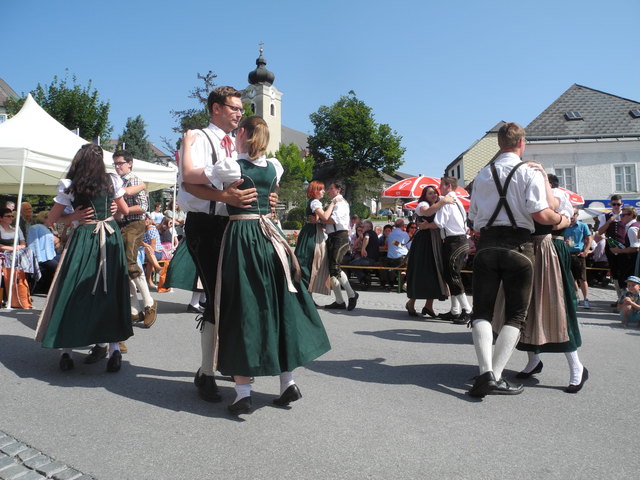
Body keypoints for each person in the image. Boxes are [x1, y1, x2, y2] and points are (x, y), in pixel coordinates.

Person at [182, 116, 331, 415]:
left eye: (239, 132)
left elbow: (190, 178)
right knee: (277, 305)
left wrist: (187, 143)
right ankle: (287, 381)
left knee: (242, 307)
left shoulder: (231, 165)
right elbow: (268, 194)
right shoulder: (276, 166)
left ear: (246, 135)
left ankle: (243, 393)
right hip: (271, 239)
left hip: (242, 236)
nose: (235, 136)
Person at [466, 122, 568, 398]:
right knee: (516, 315)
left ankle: (485, 372)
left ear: (499, 143)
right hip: (519, 248)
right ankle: (495, 375)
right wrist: (564, 219)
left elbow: (474, 220)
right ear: (521, 143)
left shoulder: (483, 174)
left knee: (482, 311)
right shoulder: (528, 171)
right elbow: (541, 215)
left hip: (486, 246)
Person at [177, 85, 259, 402]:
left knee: (234, 299)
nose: (239, 113)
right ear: (216, 108)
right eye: (234, 107)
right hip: (206, 225)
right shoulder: (196, 137)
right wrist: (225, 195)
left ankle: (220, 363)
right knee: (215, 297)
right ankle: (206, 372)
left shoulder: (237, 145)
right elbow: (188, 181)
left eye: (241, 108)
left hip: (234, 226)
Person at [34, 144, 132, 372]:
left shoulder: (70, 185)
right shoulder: (112, 181)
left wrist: (73, 217)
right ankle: (114, 348)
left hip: (85, 238)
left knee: (73, 289)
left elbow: (50, 220)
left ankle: (67, 350)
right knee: (110, 291)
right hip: (110, 237)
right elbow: (124, 211)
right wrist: (109, 212)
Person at [505, 172, 588, 393]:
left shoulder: (556, 195)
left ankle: (576, 367)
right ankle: (534, 361)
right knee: (527, 308)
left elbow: (553, 215)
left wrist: (540, 177)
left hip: (549, 250)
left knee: (558, 308)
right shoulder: (527, 196)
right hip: (529, 250)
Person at [112, 149, 157, 329]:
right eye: (115, 164)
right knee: (123, 265)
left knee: (130, 263)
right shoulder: (116, 181)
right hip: (120, 224)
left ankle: (149, 303)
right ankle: (134, 309)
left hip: (135, 223)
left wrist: (123, 210)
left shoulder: (135, 180)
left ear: (129, 163)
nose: (117, 167)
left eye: (120, 163)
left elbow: (144, 207)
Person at [431, 177, 472, 324]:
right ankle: (455, 310)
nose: (439, 188)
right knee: (450, 275)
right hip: (458, 240)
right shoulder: (458, 200)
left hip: (454, 241)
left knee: (453, 276)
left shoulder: (447, 201)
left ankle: (467, 310)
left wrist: (438, 205)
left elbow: (439, 222)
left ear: (448, 186)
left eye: (441, 186)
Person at [405, 185, 449, 317]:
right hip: (424, 242)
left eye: (435, 193)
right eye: (430, 193)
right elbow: (426, 212)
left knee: (435, 272)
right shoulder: (422, 204)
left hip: (435, 240)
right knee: (422, 271)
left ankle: (429, 306)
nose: (434, 195)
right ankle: (411, 302)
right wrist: (443, 201)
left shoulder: (438, 204)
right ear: (424, 195)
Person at [323, 182, 358, 310]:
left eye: (331, 188)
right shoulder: (334, 202)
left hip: (340, 236)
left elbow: (333, 220)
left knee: (334, 266)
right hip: (333, 236)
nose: (328, 190)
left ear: (338, 190)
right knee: (331, 268)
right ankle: (339, 301)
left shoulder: (341, 203)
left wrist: (319, 218)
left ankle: (352, 294)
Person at [294, 180, 333, 294]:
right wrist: (333, 203)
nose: (324, 192)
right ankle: (305, 294)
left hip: (310, 231)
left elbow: (319, 218)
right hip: (311, 234)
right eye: (321, 189)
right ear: (315, 191)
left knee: (309, 263)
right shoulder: (315, 202)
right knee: (309, 262)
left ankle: (307, 294)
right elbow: (325, 217)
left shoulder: (313, 202)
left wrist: (317, 220)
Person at [597, 194, 626, 304]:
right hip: (611, 248)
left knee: (625, 272)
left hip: (624, 248)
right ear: (610, 204)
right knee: (615, 273)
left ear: (621, 204)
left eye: (618, 204)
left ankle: (626, 297)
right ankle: (620, 297)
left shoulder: (626, 214)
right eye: (614, 204)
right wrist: (609, 222)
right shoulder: (606, 216)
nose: (616, 206)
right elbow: (600, 232)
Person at [564, 207, 592, 308]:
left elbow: (589, 239)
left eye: (574, 214)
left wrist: (586, 251)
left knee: (582, 278)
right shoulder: (564, 225)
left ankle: (586, 299)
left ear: (577, 215)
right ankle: (576, 296)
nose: (571, 216)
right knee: (571, 278)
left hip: (579, 254)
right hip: (567, 254)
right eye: (570, 214)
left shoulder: (582, 226)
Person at [27, 210, 60, 293]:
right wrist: (37, 258)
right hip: (42, 257)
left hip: (50, 255)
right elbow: (33, 243)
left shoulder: (48, 229)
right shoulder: (35, 227)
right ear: (44, 218)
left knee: (63, 260)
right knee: (58, 267)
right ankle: (55, 290)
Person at [609, 206, 640, 287]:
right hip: (634, 259)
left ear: (631, 215)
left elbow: (634, 248)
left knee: (630, 281)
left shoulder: (632, 228)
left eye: (623, 215)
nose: (621, 218)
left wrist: (618, 251)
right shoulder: (636, 225)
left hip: (633, 260)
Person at [349, 220, 379, 289]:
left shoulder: (368, 233)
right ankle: (364, 278)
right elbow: (353, 246)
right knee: (354, 263)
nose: (362, 228)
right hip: (371, 259)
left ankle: (364, 278)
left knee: (351, 264)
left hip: (370, 260)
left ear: (368, 227)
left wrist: (363, 249)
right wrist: (360, 237)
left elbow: (366, 238)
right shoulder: (373, 233)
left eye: (363, 227)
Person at [380, 218, 409, 290]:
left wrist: (401, 245)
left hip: (391, 259)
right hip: (402, 258)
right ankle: (404, 282)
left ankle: (393, 283)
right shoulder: (404, 234)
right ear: (403, 226)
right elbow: (409, 246)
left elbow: (394, 243)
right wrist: (403, 245)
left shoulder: (390, 234)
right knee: (409, 264)